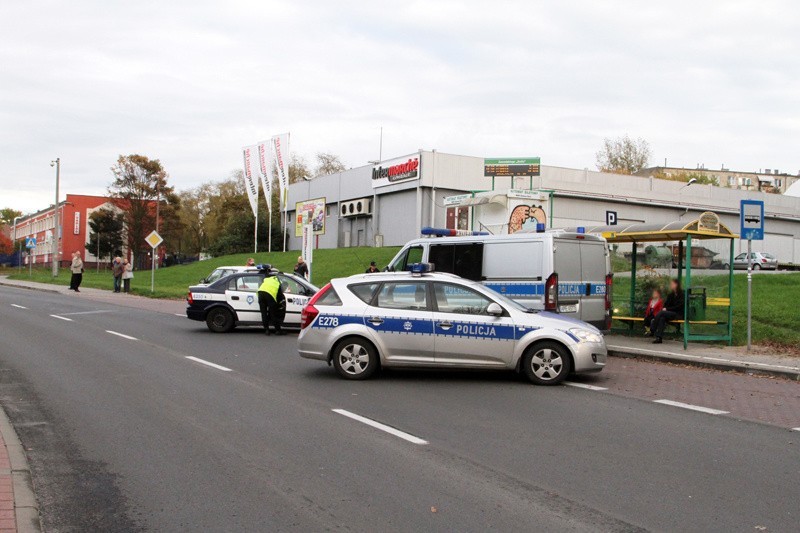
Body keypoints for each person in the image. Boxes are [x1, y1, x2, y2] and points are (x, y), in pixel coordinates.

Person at [650, 278, 685, 344]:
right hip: (670, 313)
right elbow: (666, 304)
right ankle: (659, 338)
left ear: (676, 285)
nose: (670, 285)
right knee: (662, 318)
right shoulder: (671, 295)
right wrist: (666, 308)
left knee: (661, 313)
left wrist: (667, 309)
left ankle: (653, 328)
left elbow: (679, 307)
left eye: (672, 284)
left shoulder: (682, 295)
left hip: (678, 314)